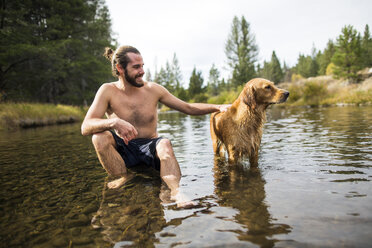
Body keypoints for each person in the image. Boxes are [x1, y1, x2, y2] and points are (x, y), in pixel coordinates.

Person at [81, 45, 228, 207]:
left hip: (150, 149)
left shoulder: (153, 89)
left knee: (164, 143)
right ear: (120, 68)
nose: (142, 71)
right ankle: (122, 176)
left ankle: (176, 193)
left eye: (142, 66)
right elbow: (86, 126)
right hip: (124, 149)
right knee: (99, 137)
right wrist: (114, 122)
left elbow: (188, 107)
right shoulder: (108, 90)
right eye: (136, 67)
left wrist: (218, 107)